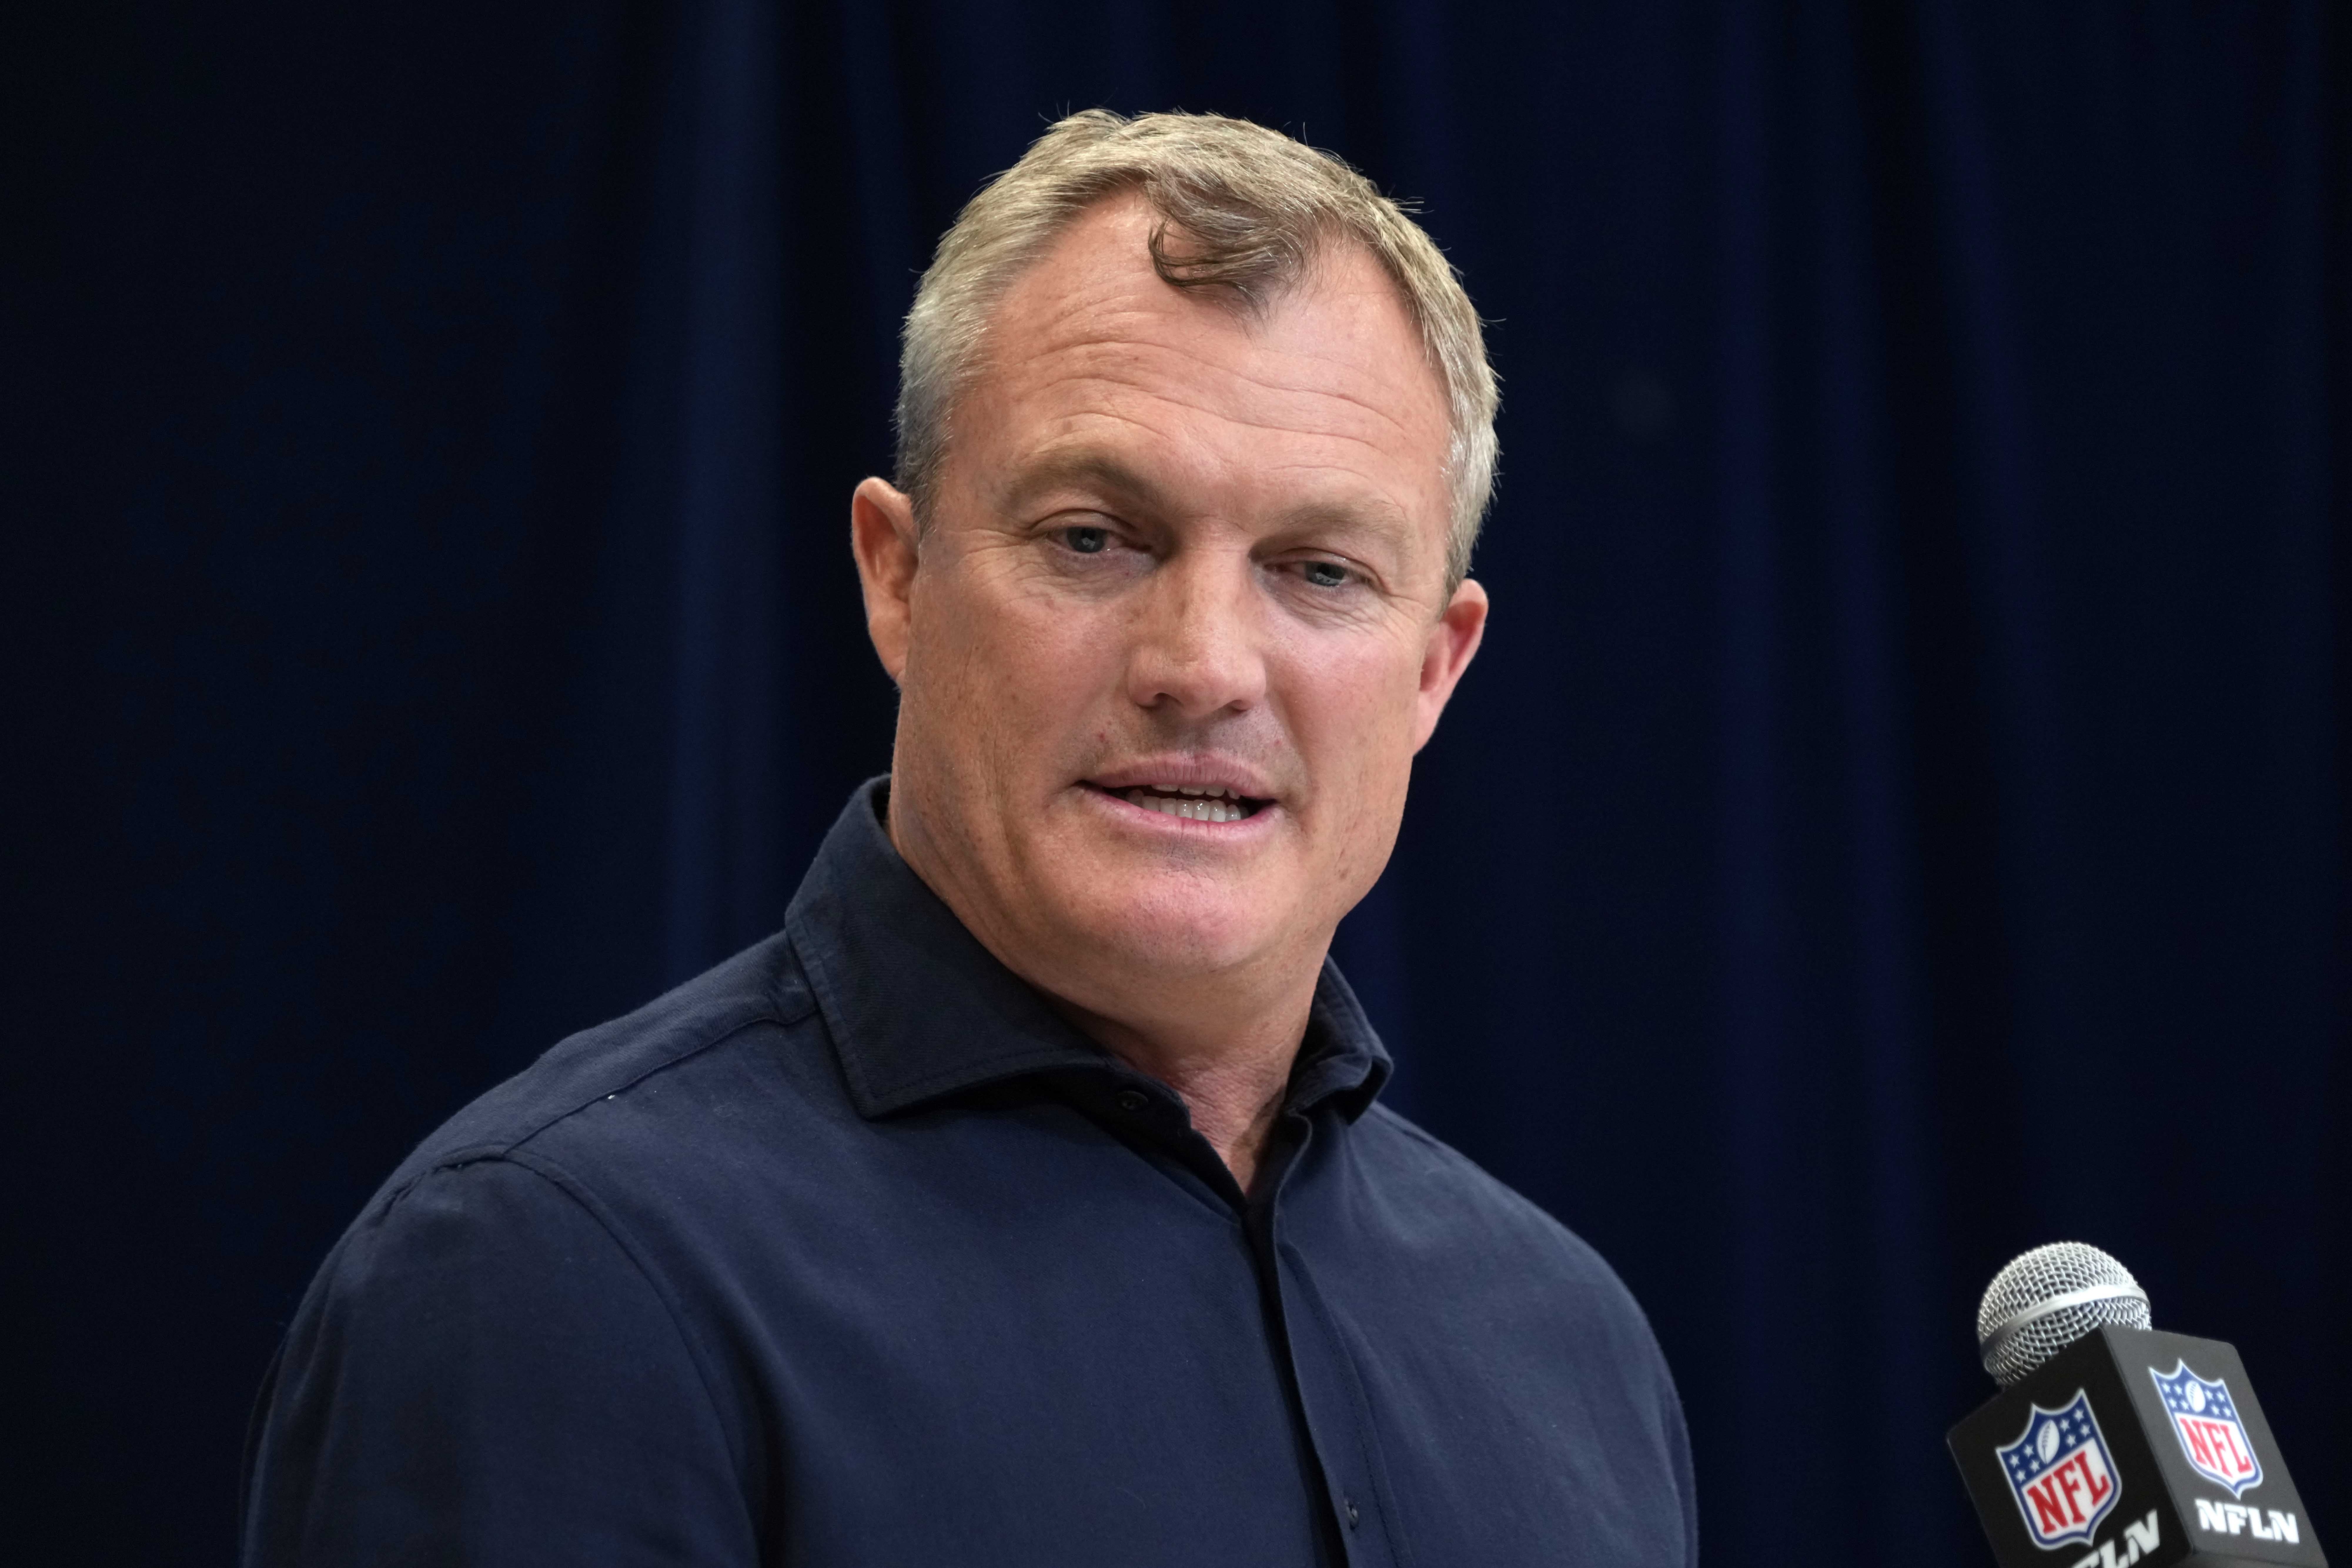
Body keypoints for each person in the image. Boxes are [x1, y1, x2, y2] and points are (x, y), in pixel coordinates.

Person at [242, 109, 1697, 1567]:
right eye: (1092, 537)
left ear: (1436, 667)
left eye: (1318, 571)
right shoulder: (550, 1278)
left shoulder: (1576, 1351)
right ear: (898, 574)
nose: (1202, 664)